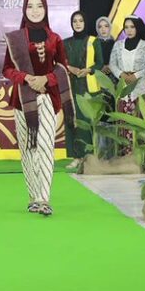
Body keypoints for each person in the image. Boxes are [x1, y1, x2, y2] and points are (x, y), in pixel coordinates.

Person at [4, 0, 74, 216]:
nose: (35, 10)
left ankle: (44, 198)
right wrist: (26, 78)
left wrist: (46, 79)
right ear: (24, 10)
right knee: (28, 149)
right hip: (22, 101)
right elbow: (7, 69)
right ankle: (33, 197)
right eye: (30, 6)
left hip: (47, 98)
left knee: (44, 145)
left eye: (39, 6)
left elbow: (62, 68)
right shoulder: (15, 39)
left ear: (45, 10)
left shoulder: (55, 38)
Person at [109, 16, 145, 155]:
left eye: (132, 27)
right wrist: (121, 75)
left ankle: (140, 157)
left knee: (140, 122)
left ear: (137, 28)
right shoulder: (118, 45)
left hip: (140, 90)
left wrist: (136, 75)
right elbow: (112, 64)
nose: (129, 30)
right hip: (123, 90)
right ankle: (124, 156)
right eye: (126, 27)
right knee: (123, 123)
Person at [62, 10, 102, 171]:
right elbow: (60, 62)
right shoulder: (65, 43)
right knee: (72, 120)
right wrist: (69, 68)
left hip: (88, 88)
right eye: (75, 21)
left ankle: (88, 157)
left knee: (86, 122)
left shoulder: (93, 41)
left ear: (85, 23)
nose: (78, 24)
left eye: (80, 21)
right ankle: (76, 157)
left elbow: (100, 63)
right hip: (71, 86)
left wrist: (88, 70)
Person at [95, 16, 116, 82]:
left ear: (110, 27)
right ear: (97, 29)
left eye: (106, 26)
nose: (103, 29)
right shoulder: (93, 44)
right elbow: (90, 62)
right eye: (100, 27)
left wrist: (111, 67)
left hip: (114, 77)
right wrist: (100, 67)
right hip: (97, 77)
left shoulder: (116, 44)